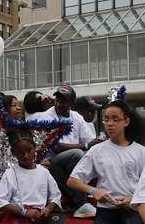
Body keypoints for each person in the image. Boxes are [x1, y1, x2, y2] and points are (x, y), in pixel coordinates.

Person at [67, 100, 145, 224]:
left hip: (132, 207)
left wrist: (133, 199)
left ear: (126, 121)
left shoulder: (143, 152)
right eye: (106, 119)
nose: (109, 124)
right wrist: (94, 192)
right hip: (106, 208)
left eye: (115, 119)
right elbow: (72, 181)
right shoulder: (96, 151)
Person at [0, 135, 68, 224]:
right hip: (19, 218)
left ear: (35, 149)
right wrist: (24, 212)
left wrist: (48, 208)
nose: (26, 156)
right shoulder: (10, 174)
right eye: (21, 153)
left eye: (29, 151)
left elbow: (56, 196)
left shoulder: (44, 172)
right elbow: (0, 202)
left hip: (40, 218)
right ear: (14, 154)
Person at [29, 85, 96, 214]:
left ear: (71, 103)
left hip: (68, 161)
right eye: (57, 100)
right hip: (50, 159)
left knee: (90, 154)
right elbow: (56, 146)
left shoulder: (76, 117)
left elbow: (89, 140)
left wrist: (93, 145)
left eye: (63, 101)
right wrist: (85, 146)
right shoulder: (47, 116)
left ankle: (85, 199)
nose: (59, 103)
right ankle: (81, 202)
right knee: (77, 154)